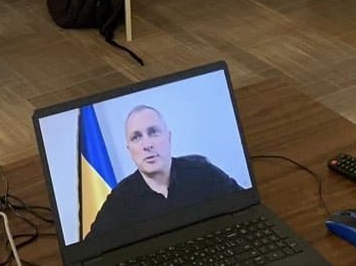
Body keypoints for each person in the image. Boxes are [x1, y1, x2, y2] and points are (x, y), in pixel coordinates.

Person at [83, 105, 243, 245]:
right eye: (136, 137)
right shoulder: (119, 200)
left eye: (153, 132)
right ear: (129, 150)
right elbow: (91, 253)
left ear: (169, 138)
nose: (147, 145)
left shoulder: (203, 172)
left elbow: (245, 210)